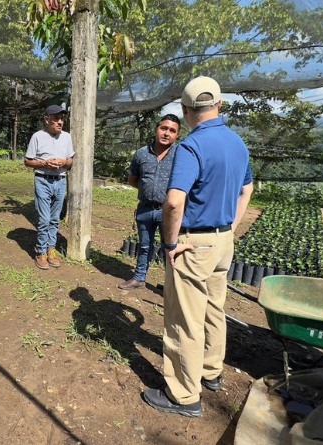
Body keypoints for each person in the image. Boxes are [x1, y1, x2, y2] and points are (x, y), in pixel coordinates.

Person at [142, 76, 254, 418]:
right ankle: (210, 372)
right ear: (219, 105)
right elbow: (247, 189)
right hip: (222, 242)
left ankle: (183, 395)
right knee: (213, 309)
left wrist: (171, 243)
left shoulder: (192, 146)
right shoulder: (237, 143)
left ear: (186, 111)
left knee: (183, 320)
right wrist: (230, 228)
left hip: (194, 245)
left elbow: (174, 202)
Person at [118, 114, 181, 290]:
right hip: (145, 209)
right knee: (144, 245)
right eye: (164, 128)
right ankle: (139, 278)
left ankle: (172, 285)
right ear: (156, 129)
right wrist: (148, 191)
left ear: (177, 135)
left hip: (169, 211)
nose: (167, 133)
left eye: (172, 130)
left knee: (170, 248)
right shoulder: (142, 154)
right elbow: (133, 178)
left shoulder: (180, 154)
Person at [24, 105, 75, 270]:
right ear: (47, 119)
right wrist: (44, 163)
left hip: (60, 181)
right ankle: (40, 252)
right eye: (56, 118)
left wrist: (63, 162)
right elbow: (27, 161)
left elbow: (70, 161)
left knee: (54, 219)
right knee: (44, 218)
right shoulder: (37, 137)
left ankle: (51, 249)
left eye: (62, 118)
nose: (60, 122)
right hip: (43, 180)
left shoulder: (66, 137)